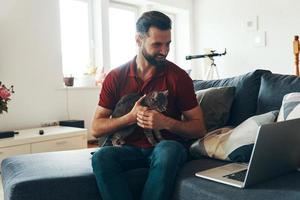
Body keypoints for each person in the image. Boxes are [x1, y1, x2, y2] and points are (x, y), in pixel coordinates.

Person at [91, 10, 207, 200]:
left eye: (168, 44)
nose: (165, 51)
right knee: (101, 157)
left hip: (165, 147)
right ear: (139, 40)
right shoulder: (115, 77)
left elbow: (199, 128)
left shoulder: (179, 77)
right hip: (128, 149)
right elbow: (96, 128)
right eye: (157, 45)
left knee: (168, 150)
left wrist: (166, 122)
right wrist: (130, 117)